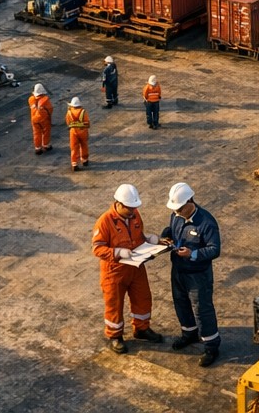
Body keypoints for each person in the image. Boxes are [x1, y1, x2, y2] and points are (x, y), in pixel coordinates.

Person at [92, 184, 164, 354]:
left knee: (143, 298)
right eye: (130, 208)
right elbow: (97, 248)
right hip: (114, 272)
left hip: (136, 267)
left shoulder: (135, 215)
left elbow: (138, 238)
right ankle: (115, 335)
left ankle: (141, 329)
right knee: (114, 304)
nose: (133, 211)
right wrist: (117, 252)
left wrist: (150, 242)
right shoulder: (104, 221)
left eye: (134, 208)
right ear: (119, 204)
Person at [160, 182, 222, 366]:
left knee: (202, 309)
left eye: (179, 209)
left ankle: (211, 346)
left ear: (190, 202)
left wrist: (193, 254)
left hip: (198, 275)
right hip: (178, 270)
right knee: (181, 303)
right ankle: (189, 333)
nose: (176, 212)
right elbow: (171, 228)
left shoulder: (206, 222)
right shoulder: (177, 215)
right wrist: (166, 236)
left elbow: (214, 249)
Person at [66, 96, 91, 170]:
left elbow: (68, 121)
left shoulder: (69, 112)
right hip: (82, 131)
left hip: (73, 131)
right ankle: (84, 160)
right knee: (84, 145)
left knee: (73, 147)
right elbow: (87, 121)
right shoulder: (83, 112)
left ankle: (74, 164)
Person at [29, 83, 55, 155]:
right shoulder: (45, 100)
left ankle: (38, 148)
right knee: (46, 132)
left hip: (34, 120)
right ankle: (46, 145)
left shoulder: (31, 99)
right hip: (44, 120)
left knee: (36, 133)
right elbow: (50, 109)